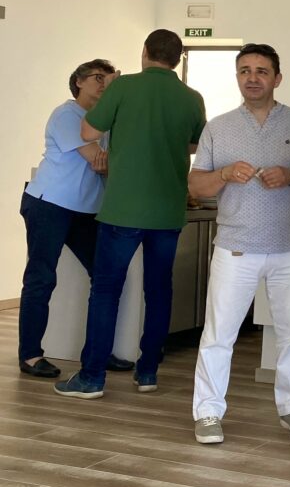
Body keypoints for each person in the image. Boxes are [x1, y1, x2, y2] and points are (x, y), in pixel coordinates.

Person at [54, 29, 206, 399]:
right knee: (159, 290)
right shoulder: (192, 97)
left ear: (145, 52)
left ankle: (92, 377)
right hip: (167, 211)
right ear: (178, 58)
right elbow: (196, 143)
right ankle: (148, 371)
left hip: (123, 209)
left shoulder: (123, 87)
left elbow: (88, 131)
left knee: (106, 290)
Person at [188, 43, 290, 444]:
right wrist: (224, 174)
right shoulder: (218, 127)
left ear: (277, 78)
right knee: (219, 334)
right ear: (237, 77)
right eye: (244, 70)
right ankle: (208, 412)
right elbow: (196, 186)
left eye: (261, 71)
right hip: (235, 246)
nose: (252, 78)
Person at [18, 59, 130, 378]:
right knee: (41, 278)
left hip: (85, 211)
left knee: (106, 276)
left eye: (109, 80)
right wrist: (107, 160)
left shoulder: (104, 123)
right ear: (78, 82)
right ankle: (30, 355)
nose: (104, 85)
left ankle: (97, 353)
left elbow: (109, 164)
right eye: (98, 78)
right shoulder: (67, 115)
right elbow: (97, 160)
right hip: (49, 204)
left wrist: (109, 161)